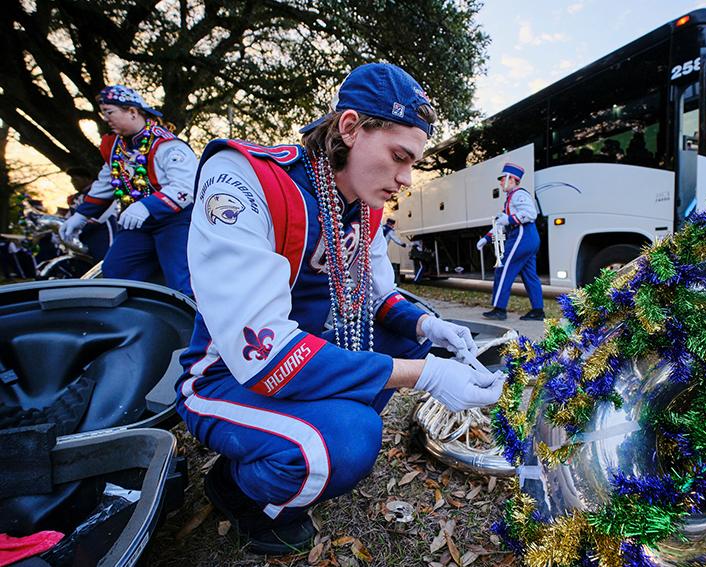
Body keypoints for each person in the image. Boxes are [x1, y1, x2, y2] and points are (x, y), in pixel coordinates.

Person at [177, 63, 505, 555]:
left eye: (412, 163)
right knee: (350, 440)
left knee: (406, 334)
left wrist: (429, 326)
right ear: (349, 127)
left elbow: (378, 297)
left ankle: (302, 437)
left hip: (300, 359)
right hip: (228, 375)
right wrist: (427, 376)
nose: (405, 179)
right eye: (398, 157)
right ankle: (240, 491)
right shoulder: (248, 180)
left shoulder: (367, 207)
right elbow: (262, 353)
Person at [59, 85, 196, 296]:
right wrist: (80, 216)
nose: (106, 119)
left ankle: (193, 325)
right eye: (104, 114)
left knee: (181, 280)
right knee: (115, 270)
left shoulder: (167, 145)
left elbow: (186, 188)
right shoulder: (116, 148)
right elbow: (105, 184)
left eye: (110, 112)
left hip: (174, 222)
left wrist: (146, 206)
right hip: (138, 224)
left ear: (132, 112)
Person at [476, 163, 545, 321]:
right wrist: (486, 239)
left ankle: (499, 309)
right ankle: (538, 311)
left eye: (502, 179)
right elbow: (501, 224)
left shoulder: (519, 195)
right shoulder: (511, 198)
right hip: (528, 238)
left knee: (503, 268)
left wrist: (509, 219)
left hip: (522, 236)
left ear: (511, 179)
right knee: (530, 275)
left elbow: (530, 214)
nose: (500, 182)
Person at [64, 166, 118, 263]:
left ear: (87, 179)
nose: (72, 182)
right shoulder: (76, 198)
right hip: (85, 234)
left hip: (102, 231)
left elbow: (103, 215)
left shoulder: (100, 192)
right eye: (71, 179)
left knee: (105, 259)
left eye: (75, 179)